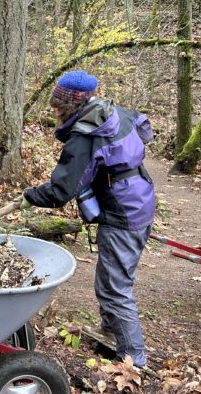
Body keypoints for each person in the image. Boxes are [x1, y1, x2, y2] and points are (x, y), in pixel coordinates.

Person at [19, 70, 155, 368]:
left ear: (70, 105)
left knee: (113, 288)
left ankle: (135, 359)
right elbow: (145, 134)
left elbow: (59, 191)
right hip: (140, 196)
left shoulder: (86, 134)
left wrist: (30, 196)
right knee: (115, 279)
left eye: (57, 106)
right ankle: (110, 331)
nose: (53, 111)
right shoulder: (113, 112)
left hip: (124, 211)